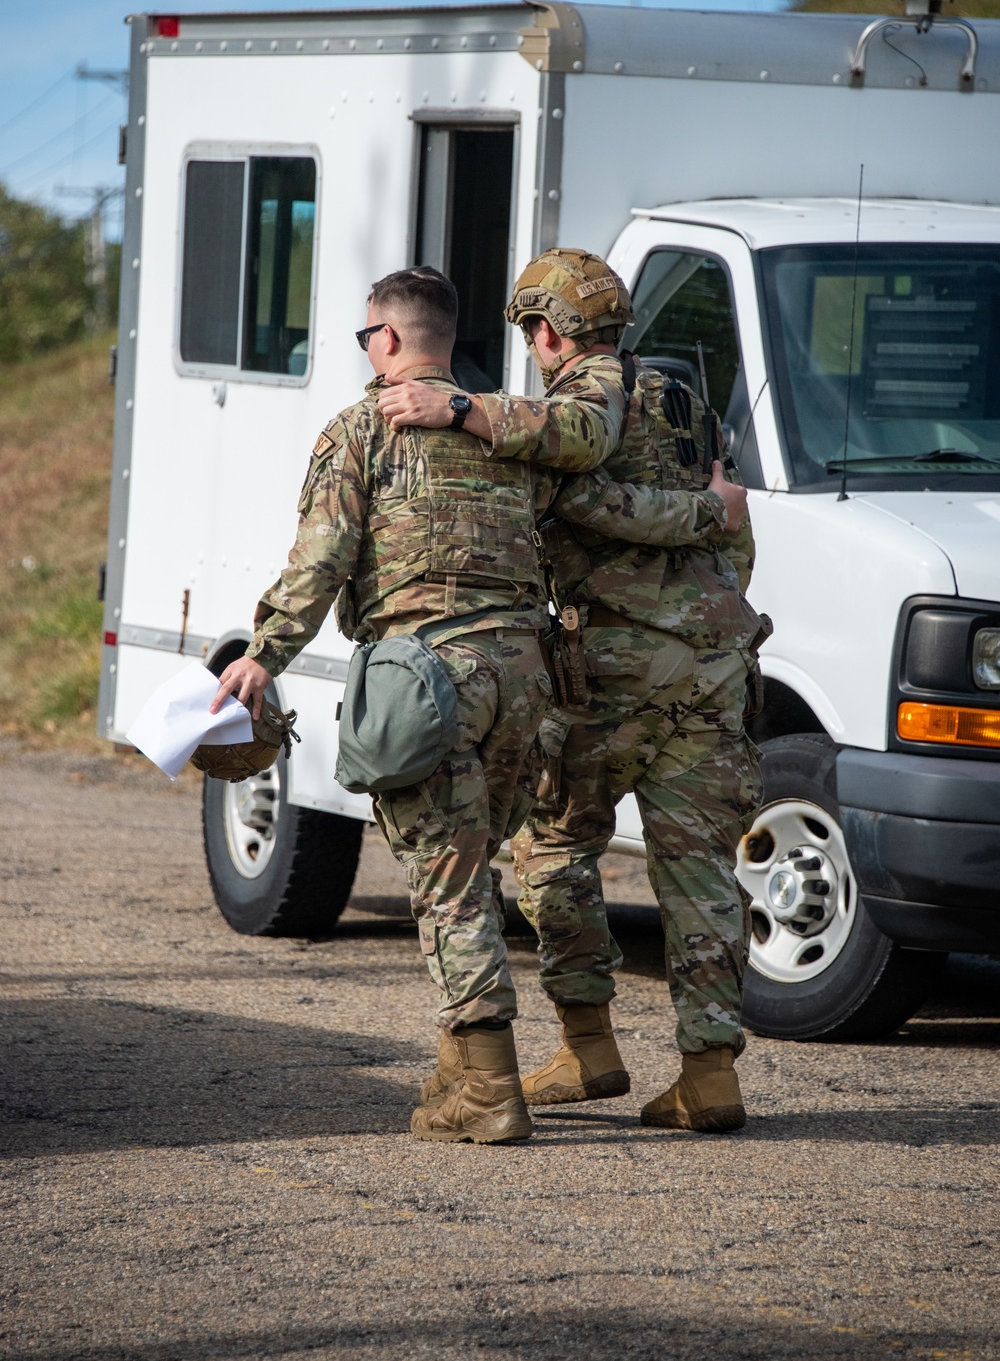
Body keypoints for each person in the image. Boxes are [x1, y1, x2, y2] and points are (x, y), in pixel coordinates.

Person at [211, 265, 628, 1146]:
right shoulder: (508, 427)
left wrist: (263, 655)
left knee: (448, 881)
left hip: (427, 677)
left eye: (367, 337)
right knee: (476, 868)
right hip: (523, 676)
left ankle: (488, 1089)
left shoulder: (363, 427)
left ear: (389, 341)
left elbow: (320, 562)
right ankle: (456, 1070)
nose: (367, 352)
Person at [379, 247, 763, 1134]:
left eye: (533, 337)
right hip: (713, 667)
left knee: (553, 850)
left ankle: (589, 1049)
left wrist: (465, 412)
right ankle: (710, 1076)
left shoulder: (574, 403)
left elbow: (578, 476)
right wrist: (714, 567)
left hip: (613, 677)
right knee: (701, 869)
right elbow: (734, 523)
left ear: (546, 332)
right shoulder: (686, 402)